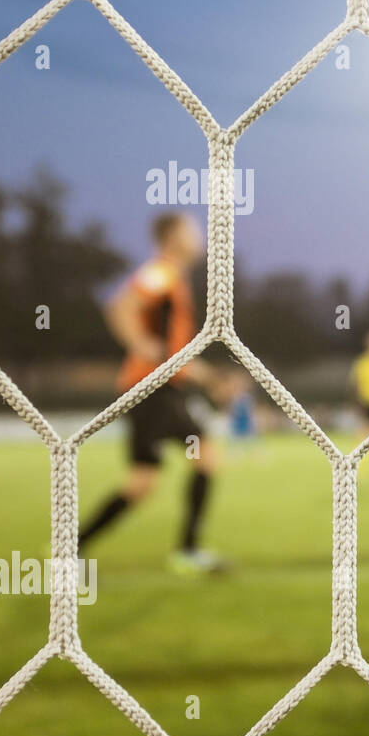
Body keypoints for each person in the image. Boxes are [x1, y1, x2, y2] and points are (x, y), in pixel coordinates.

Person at [78, 211, 225, 575]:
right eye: (192, 229)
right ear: (172, 236)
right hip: (153, 389)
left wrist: (210, 379)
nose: (198, 236)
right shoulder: (162, 271)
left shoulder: (176, 280)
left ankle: (69, 550)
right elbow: (121, 305)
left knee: (142, 483)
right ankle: (188, 552)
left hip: (158, 388)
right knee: (205, 455)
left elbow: (175, 354)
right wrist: (140, 344)